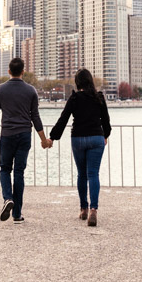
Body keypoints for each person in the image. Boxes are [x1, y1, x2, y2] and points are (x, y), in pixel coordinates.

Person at [0, 57, 51, 223]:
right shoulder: (31, 91)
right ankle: (17, 214)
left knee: (4, 169)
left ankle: (7, 198)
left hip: (7, 134)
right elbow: (35, 117)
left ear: (9, 71)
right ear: (23, 71)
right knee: (19, 172)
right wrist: (44, 139)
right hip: (24, 134)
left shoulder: (0, 90)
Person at [48, 68, 111, 227]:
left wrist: (52, 137)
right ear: (91, 81)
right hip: (96, 138)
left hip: (78, 139)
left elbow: (63, 120)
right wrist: (105, 135)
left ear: (77, 82)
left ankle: (83, 209)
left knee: (82, 174)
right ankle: (93, 210)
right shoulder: (99, 97)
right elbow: (106, 122)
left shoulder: (74, 98)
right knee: (93, 174)